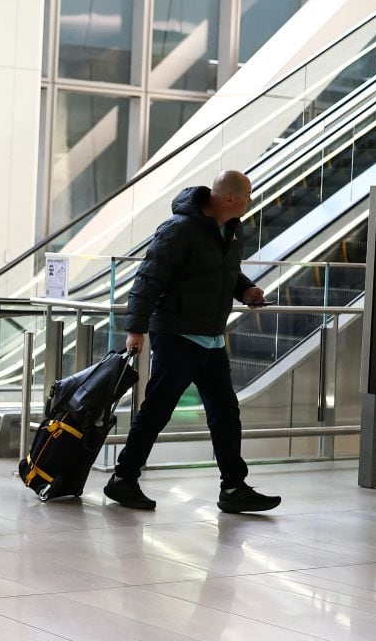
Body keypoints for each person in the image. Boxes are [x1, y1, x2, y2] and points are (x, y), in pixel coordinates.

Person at [104, 171, 281, 513]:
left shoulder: (231, 229)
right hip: (177, 336)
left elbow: (225, 271)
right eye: (248, 195)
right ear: (230, 198)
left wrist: (246, 289)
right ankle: (123, 479)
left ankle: (233, 487)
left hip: (212, 339)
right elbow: (148, 278)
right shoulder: (178, 229)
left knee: (226, 414)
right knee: (157, 410)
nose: (251, 201)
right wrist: (136, 329)